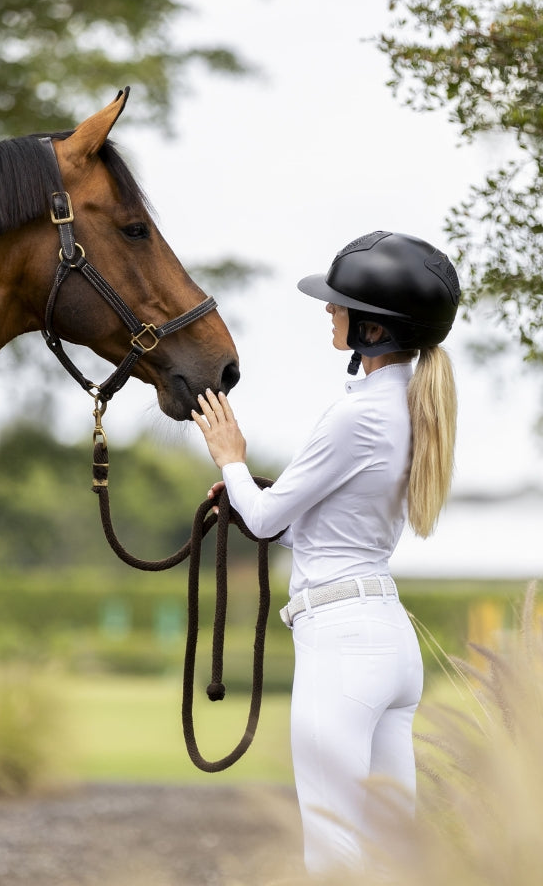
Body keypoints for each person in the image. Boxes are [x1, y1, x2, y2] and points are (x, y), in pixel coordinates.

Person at [190, 230, 460, 875]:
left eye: (340, 306)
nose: (329, 312)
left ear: (373, 329)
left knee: (333, 853)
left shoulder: (356, 415)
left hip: (342, 645)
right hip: (389, 640)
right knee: (395, 855)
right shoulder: (413, 407)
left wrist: (231, 462)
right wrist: (249, 492)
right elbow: (312, 529)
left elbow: (261, 521)